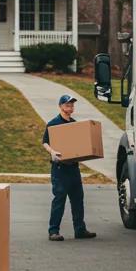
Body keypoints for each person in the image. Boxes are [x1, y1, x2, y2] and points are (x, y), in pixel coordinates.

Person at [43, 93, 97, 241]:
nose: (70, 107)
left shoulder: (74, 124)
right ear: (60, 106)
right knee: (59, 199)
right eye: (67, 104)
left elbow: (77, 145)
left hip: (73, 168)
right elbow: (45, 142)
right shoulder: (53, 123)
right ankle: (53, 231)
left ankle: (80, 230)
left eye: (72, 104)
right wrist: (52, 152)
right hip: (60, 169)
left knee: (78, 199)